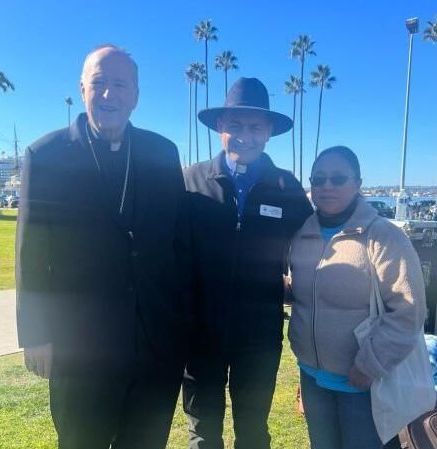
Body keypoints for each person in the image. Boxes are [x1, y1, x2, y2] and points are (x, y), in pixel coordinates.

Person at [16, 44, 186, 449]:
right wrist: (36, 335)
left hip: (154, 343)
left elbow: (179, 245)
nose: (109, 93)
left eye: (120, 84)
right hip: (80, 349)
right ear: (82, 89)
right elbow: (32, 254)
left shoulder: (163, 153)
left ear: (136, 95)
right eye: (99, 83)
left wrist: (182, 326)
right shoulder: (46, 155)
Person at [180, 77, 313, 449]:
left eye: (255, 127)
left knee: (253, 432)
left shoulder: (287, 188)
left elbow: (316, 248)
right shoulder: (190, 182)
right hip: (199, 335)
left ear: (268, 132)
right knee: (203, 435)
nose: (245, 136)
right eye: (235, 125)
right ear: (220, 127)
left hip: (258, 337)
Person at [288, 146, 427, 449]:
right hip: (312, 376)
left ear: (358, 184)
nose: (327, 186)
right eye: (319, 179)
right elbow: (307, 291)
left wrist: (370, 365)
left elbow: (409, 311)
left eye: (338, 178)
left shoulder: (384, 237)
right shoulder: (302, 235)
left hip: (364, 385)